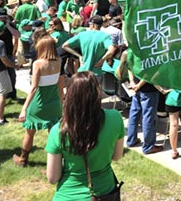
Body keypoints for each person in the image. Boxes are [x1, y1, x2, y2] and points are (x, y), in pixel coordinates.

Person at [45, 72, 124, 200]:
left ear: (69, 96)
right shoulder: (115, 118)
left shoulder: (58, 131)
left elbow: (53, 178)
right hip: (105, 193)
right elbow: (117, 156)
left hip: (69, 194)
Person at [13, 34, 65, 166]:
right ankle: (56, 163)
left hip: (39, 103)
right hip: (54, 103)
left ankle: (23, 159)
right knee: (54, 133)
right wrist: (62, 102)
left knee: (30, 133)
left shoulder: (38, 64)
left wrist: (24, 109)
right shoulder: (59, 61)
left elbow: (34, 88)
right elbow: (60, 84)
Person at [119, 49, 163, 154]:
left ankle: (131, 140)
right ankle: (148, 146)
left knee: (134, 114)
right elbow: (149, 73)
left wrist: (133, 82)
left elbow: (129, 66)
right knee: (148, 118)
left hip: (136, 88)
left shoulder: (134, 50)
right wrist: (136, 84)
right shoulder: (150, 52)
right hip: (148, 90)